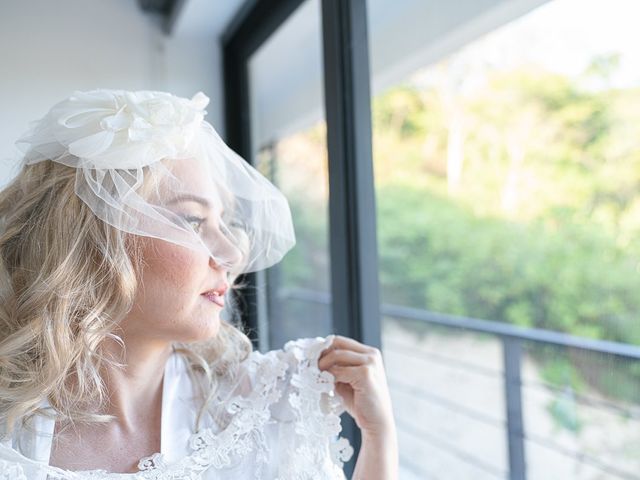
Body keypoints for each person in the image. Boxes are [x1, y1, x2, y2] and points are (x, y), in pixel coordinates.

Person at [0, 89, 398, 479]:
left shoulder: (273, 403)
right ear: (95, 241)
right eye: (192, 221)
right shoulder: (9, 433)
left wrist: (379, 442)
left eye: (223, 222)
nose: (231, 254)